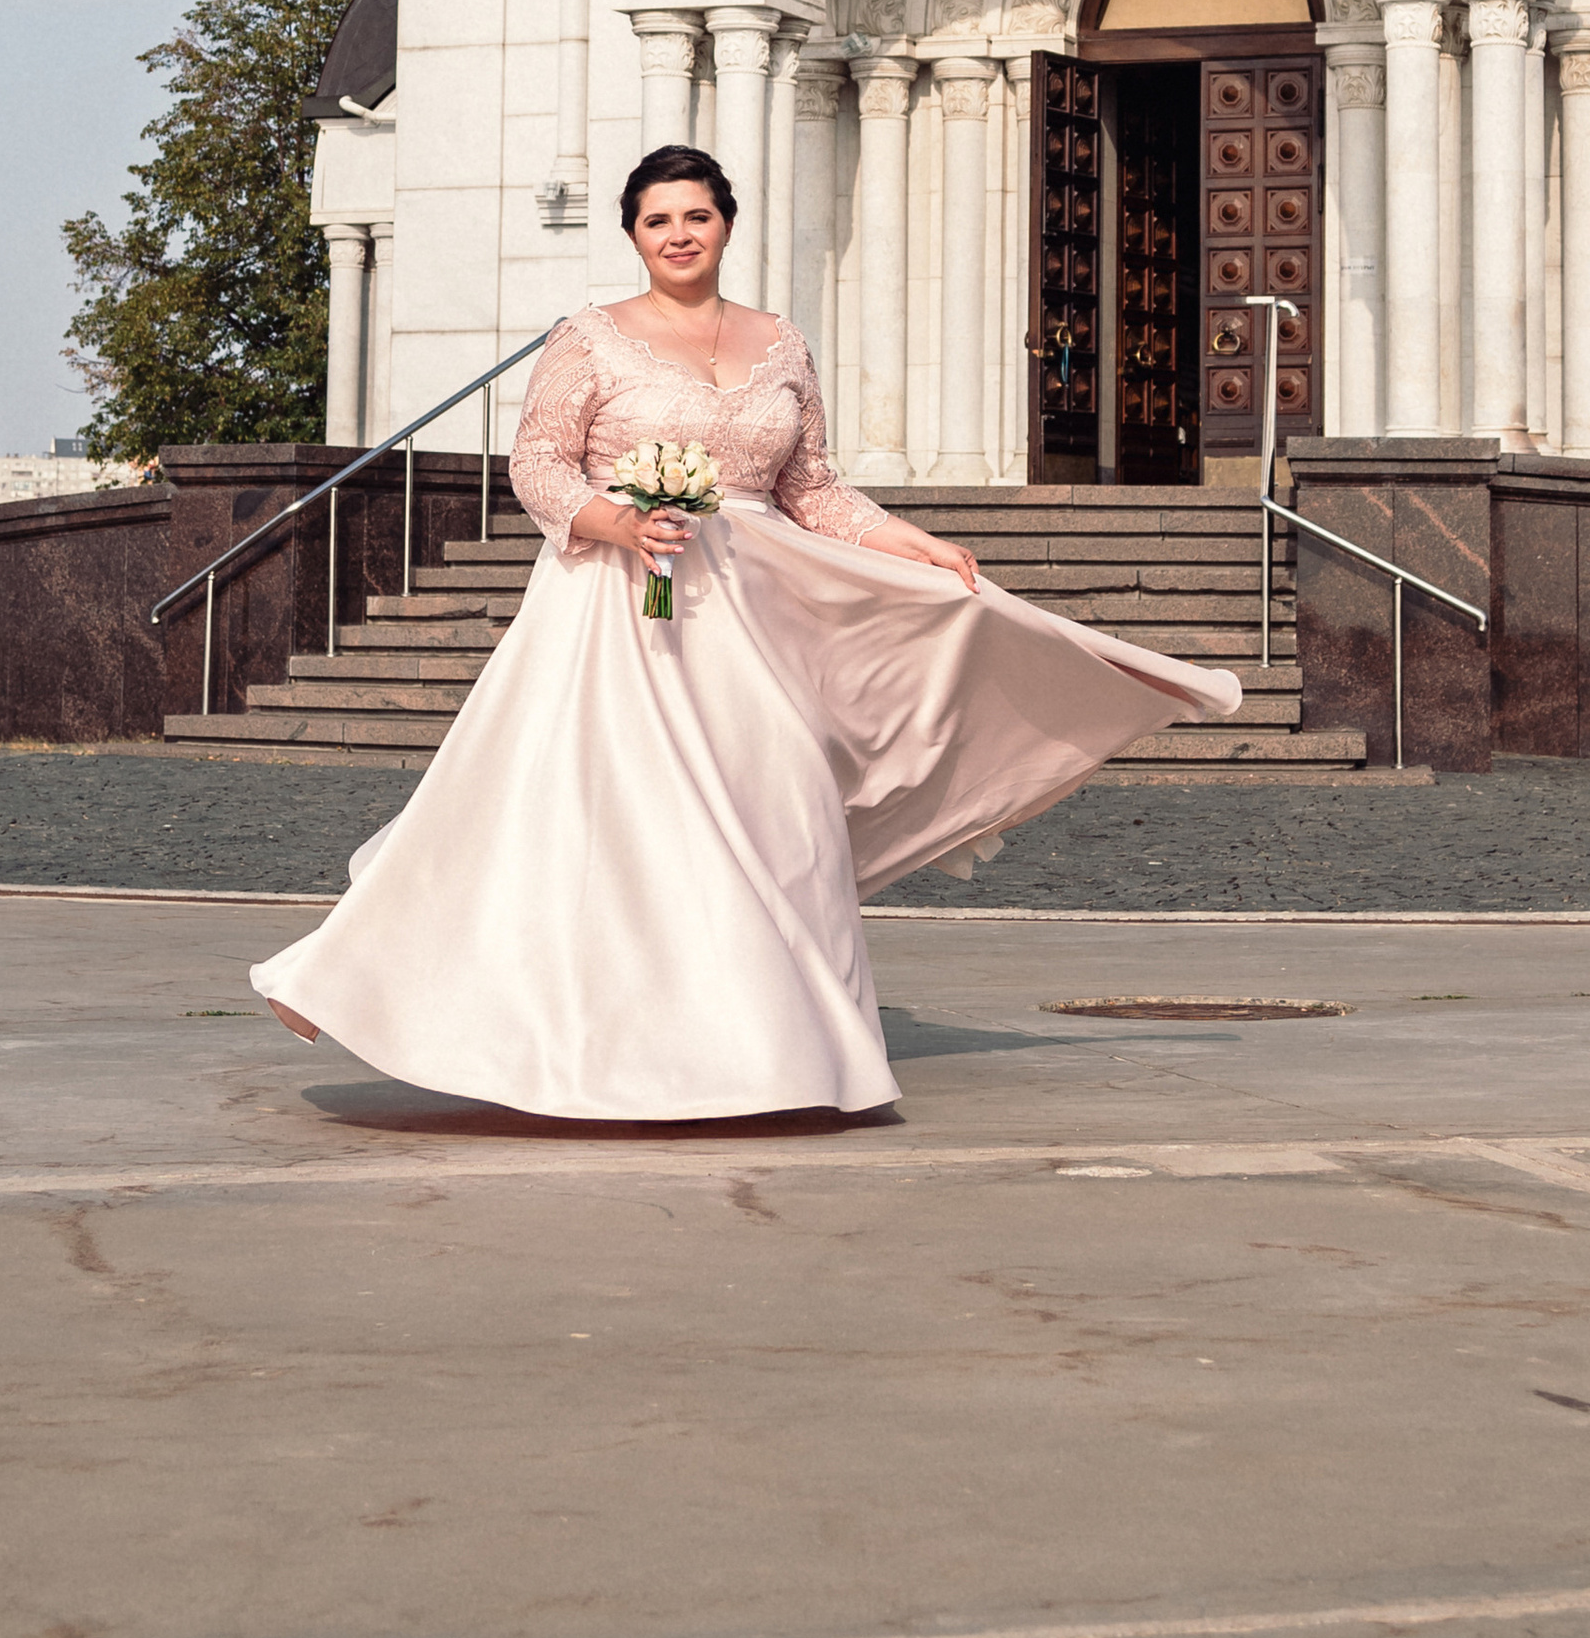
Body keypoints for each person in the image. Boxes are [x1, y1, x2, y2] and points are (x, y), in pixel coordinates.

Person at [250, 143, 1243, 1120]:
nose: (678, 235)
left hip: (760, 607)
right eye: (656, 221)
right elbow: (539, 468)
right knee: (586, 819)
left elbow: (811, 488)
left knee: (784, 805)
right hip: (620, 606)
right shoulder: (588, 337)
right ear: (633, 236)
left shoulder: (780, 342)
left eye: (695, 216)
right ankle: (424, 995)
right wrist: (622, 522)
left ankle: (777, 1046)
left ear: (725, 223)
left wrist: (913, 545)